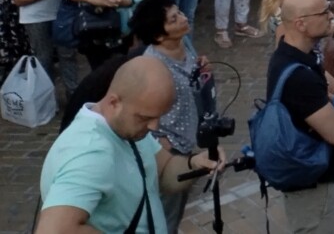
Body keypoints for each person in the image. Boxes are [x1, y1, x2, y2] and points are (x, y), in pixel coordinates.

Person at [36, 56, 223, 234]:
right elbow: (53, 230)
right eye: (145, 118)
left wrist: (194, 164)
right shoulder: (90, 153)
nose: (154, 126)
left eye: (159, 116)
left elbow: (164, 170)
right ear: (114, 103)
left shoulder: (126, 127)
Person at [267, 0, 334, 233]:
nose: (331, 16)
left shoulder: (294, 54)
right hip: (316, 186)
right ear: (301, 24)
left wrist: (333, 100)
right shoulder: (299, 78)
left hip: (312, 177)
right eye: (323, 12)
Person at [129, 0, 206, 232]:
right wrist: (160, 143)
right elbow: (138, 112)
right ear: (159, 36)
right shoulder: (152, 67)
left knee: (177, 207)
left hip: (185, 141)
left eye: (179, 12)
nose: (183, 18)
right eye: (174, 19)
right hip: (168, 149)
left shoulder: (184, 43)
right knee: (166, 213)